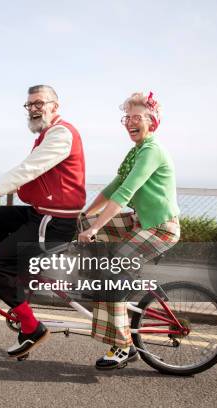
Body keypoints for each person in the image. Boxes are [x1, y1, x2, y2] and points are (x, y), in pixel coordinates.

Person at [0, 85, 86, 357]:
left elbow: (28, 170)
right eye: (29, 105)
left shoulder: (61, 134)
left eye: (39, 103)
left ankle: (31, 328)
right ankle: (20, 274)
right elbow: (29, 176)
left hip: (53, 222)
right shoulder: (46, 135)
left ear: (55, 105)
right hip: (40, 214)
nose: (33, 109)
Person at [78, 91, 180, 369]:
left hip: (160, 228)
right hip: (141, 222)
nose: (130, 123)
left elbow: (125, 192)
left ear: (152, 122)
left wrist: (97, 225)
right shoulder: (135, 151)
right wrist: (86, 217)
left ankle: (123, 347)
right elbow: (112, 187)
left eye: (137, 117)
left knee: (111, 276)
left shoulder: (151, 150)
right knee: (84, 227)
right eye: (127, 118)